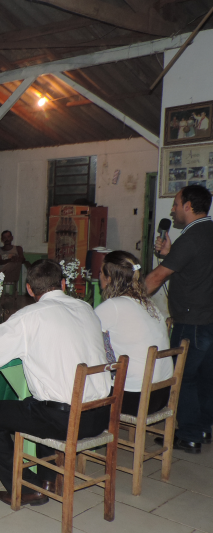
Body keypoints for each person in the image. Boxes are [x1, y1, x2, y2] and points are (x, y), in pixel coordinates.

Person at [0, 259, 113, 506]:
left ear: (29, 289)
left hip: (65, 421)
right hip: (100, 414)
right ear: (64, 284)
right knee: (39, 400)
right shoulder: (86, 308)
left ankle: (26, 487)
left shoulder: (29, 316)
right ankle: (47, 481)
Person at [145, 185, 213, 453]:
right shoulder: (207, 232)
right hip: (209, 319)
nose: (172, 210)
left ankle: (189, 434)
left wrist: (129, 296)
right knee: (206, 376)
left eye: (175, 204)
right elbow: (194, 268)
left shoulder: (192, 237)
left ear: (188, 206)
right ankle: (204, 427)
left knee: (183, 377)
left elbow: (158, 277)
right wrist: (169, 254)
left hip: (191, 321)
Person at [95, 251, 172, 416]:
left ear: (109, 278)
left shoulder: (113, 306)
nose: (98, 276)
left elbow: (84, 336)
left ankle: (84, 431)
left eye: (100, 272)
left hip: (135, 398)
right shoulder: (149, 304)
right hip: (161, 394)